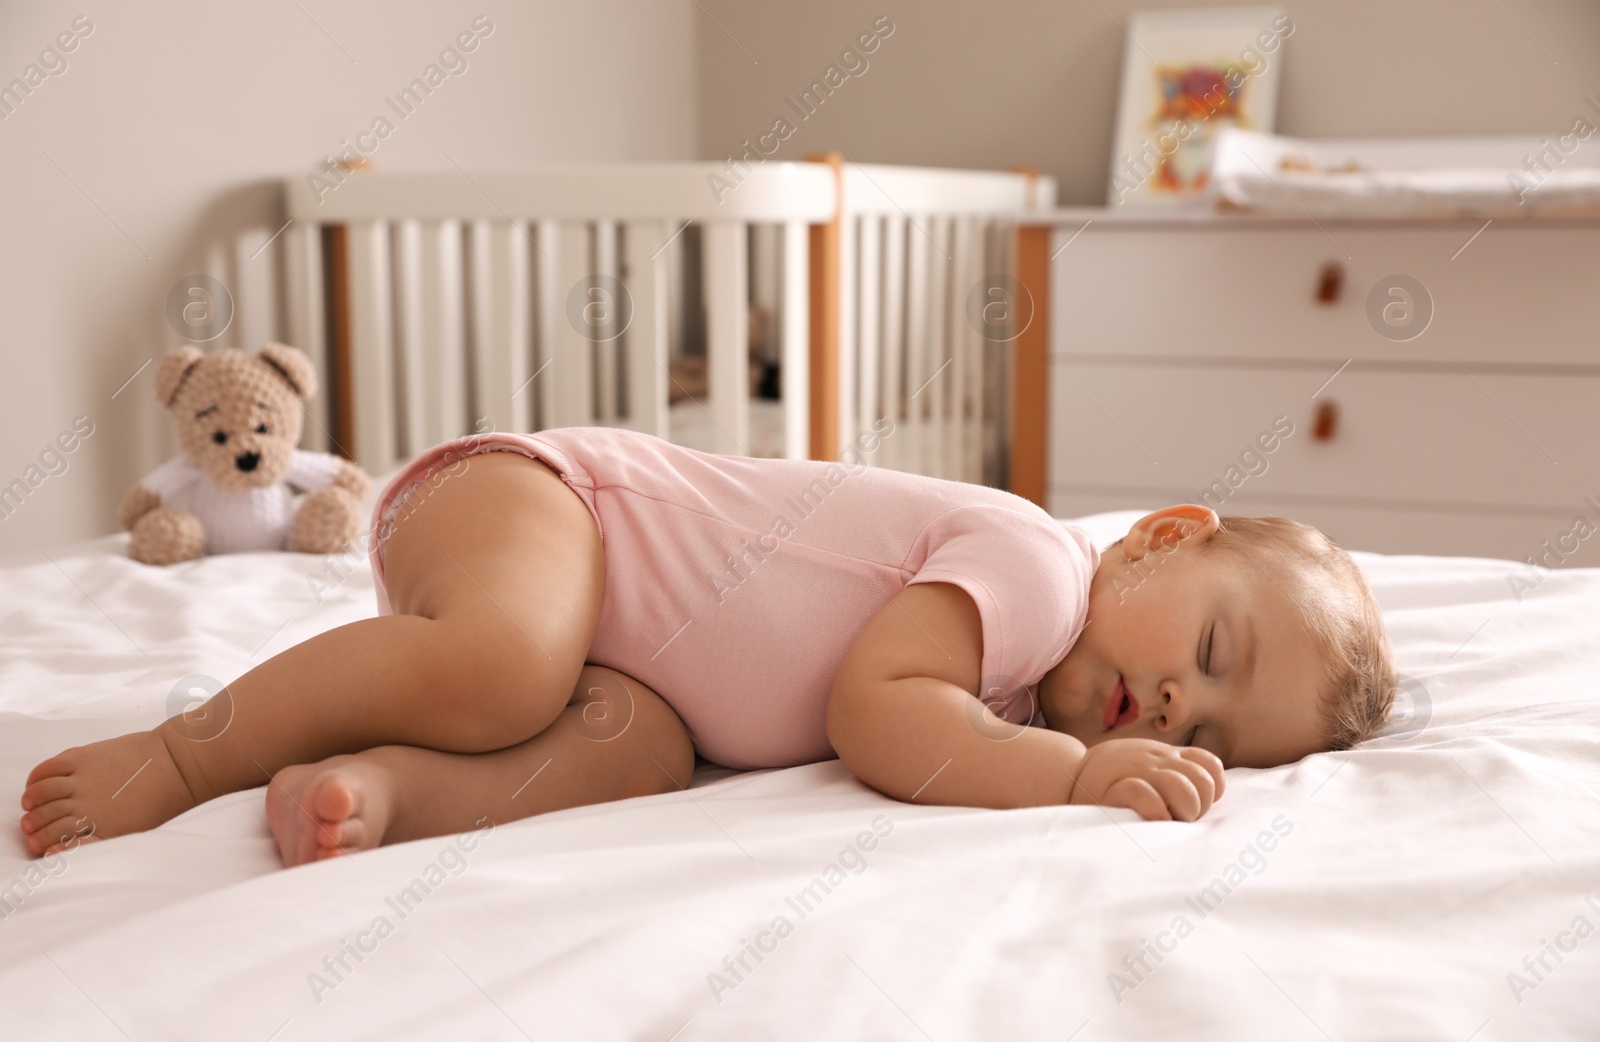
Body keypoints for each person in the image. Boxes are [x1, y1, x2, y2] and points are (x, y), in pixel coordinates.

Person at [19, 426, 1396, 866]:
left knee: (636, 754)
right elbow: (879, 712)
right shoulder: (1038, 570)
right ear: (1157, 536)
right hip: (545, 504)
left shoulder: (1025, 680)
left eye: (1203, 732)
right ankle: (183, 750)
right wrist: (1069, 780)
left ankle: (372, 790)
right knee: (508, 664)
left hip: (625, 661)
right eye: (1209, 648)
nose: (1169, 705)